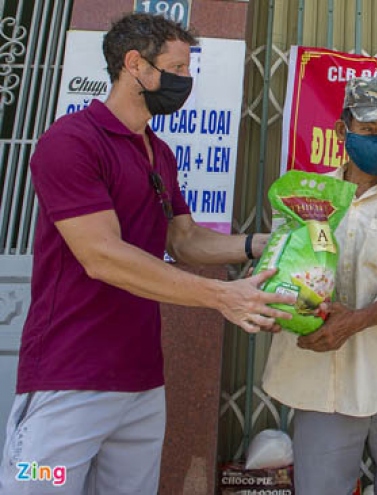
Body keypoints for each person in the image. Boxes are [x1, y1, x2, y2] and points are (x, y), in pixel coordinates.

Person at [0, 13, 297, 495]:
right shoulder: (71, 142)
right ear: (135, 64)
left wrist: (258, 245)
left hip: (140, 384)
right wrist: (220, 297)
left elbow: (183, 240)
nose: (186, 81)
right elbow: (102, 256)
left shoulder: (158, 152)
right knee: (36, 482)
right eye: (177, 68)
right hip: (70, 377)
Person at [261, 77, 377, 495]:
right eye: (369, 130)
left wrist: (356, 320)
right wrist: (291, 310)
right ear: (343, 131)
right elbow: (285, 270)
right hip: (322, 377)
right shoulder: (305, 196)